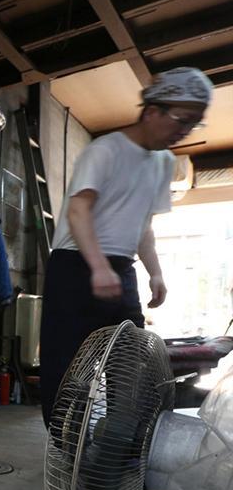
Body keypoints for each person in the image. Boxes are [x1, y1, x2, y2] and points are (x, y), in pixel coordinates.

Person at [40, 67, 213, 427]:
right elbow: (78, 210)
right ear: (152, 111)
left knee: (132, 361)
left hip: (120, 268)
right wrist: (98, 265)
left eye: (193, 124)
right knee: (67, 362)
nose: (184, 131)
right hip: (74, 266)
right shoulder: (105, 151)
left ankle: (120, 446)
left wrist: (155, 272)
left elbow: (143, 226)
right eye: (181, 119)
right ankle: (65, 444)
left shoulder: (164, 163)